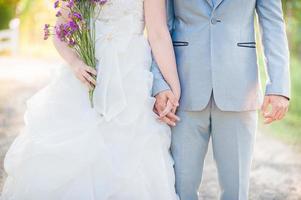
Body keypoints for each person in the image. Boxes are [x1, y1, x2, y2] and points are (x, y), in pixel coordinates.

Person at [1, 0, 180, 199]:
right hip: (87, 74)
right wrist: (75, 63)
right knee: (75, 151)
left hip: (131, 76)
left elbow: (158, 34)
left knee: (130, 153)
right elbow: (60, 30)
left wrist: (174, 88)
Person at [152, 0, 290, 199]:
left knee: (236, 189)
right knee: (180, 188)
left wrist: (278, 87)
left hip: (240, 86)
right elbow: (158, 28)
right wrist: (159, 84)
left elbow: (273, 24)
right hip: (181, 88)